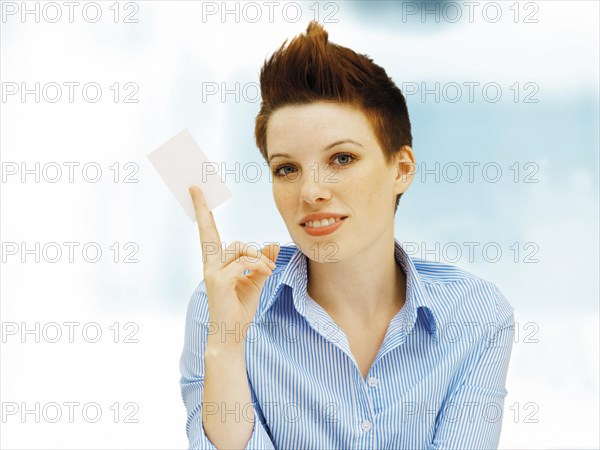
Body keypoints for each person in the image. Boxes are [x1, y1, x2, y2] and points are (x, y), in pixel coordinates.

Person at [180, 21, 515, 450]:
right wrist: (226, 346)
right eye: (287, 168)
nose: (311, 192)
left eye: (341, 158)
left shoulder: (475, 316)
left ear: (401, 169)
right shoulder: (223, 304)